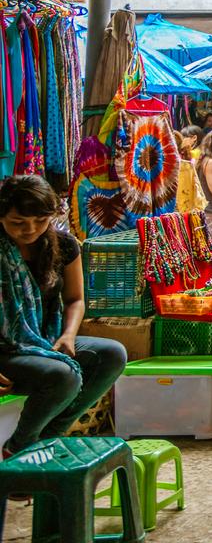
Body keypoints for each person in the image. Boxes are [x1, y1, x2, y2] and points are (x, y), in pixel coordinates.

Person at [0, 176, 127, 457]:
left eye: (39, 220)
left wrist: (68, 335)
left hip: (43, 341)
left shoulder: (64, 245)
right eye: (18, 222)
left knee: (112, 354)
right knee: (63, 375)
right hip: (6, 353)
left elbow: (75, 299)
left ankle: (44, 440)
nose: (29, 230)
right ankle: (20, 451)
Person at [175, 126, 207, 214]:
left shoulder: (194, 154)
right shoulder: (202, 151)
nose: (182, 139)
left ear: (194, 138)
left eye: (184, 137)